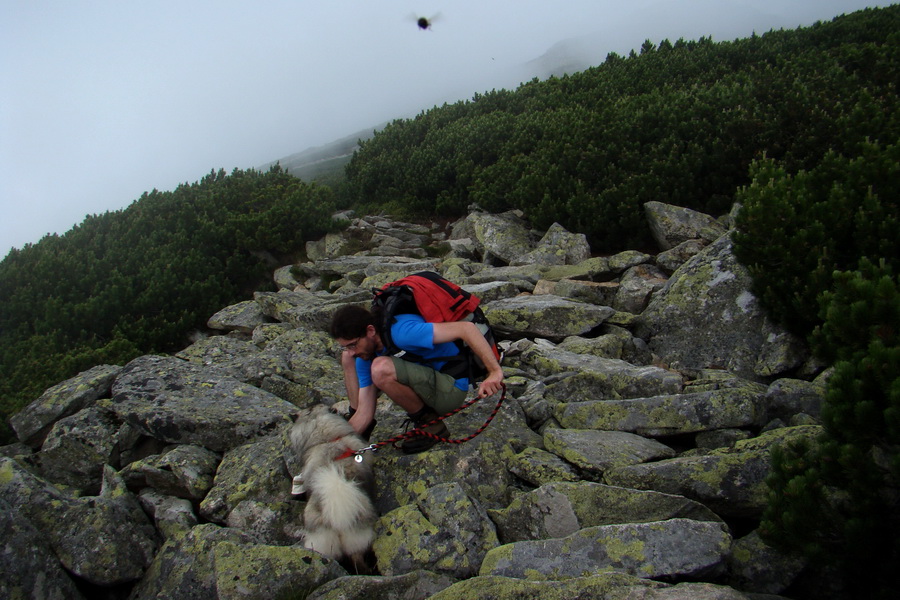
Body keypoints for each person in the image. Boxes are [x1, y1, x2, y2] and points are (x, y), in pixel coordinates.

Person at [329, 304, 504, 454]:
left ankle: (431, 425)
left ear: (370, 330)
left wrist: (494, 372)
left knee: (381, 368)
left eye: (353, 345)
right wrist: (332, 450)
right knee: (369, 364)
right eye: (346, 347)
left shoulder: (402, 332)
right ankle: (423, 420)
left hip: (451, 388)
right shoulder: (366, 355)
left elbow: (466, 329)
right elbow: (364, 414)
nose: (352, 352)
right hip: (429, 382)